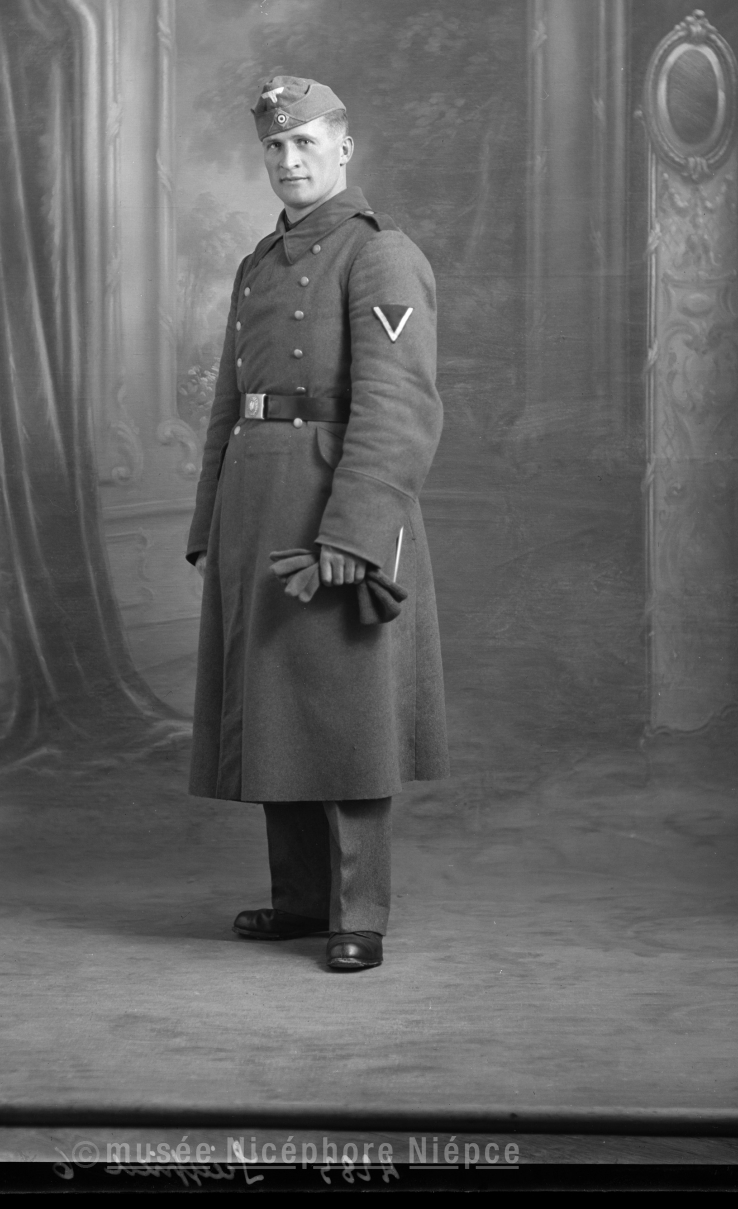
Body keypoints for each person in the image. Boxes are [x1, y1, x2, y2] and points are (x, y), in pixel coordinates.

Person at [186, 75, 448, 972]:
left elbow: (399, 408)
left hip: (334, 502)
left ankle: (358, 912)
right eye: (275, 146)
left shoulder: (381, 256)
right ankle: (300, 900)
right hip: (256, 502)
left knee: (346, 710)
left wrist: (354, 534)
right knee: (276, 708)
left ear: (344, 148)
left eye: (304, 143)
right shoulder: (258, 264)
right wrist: (210, 523)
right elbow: (231, 404)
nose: (289, 159)